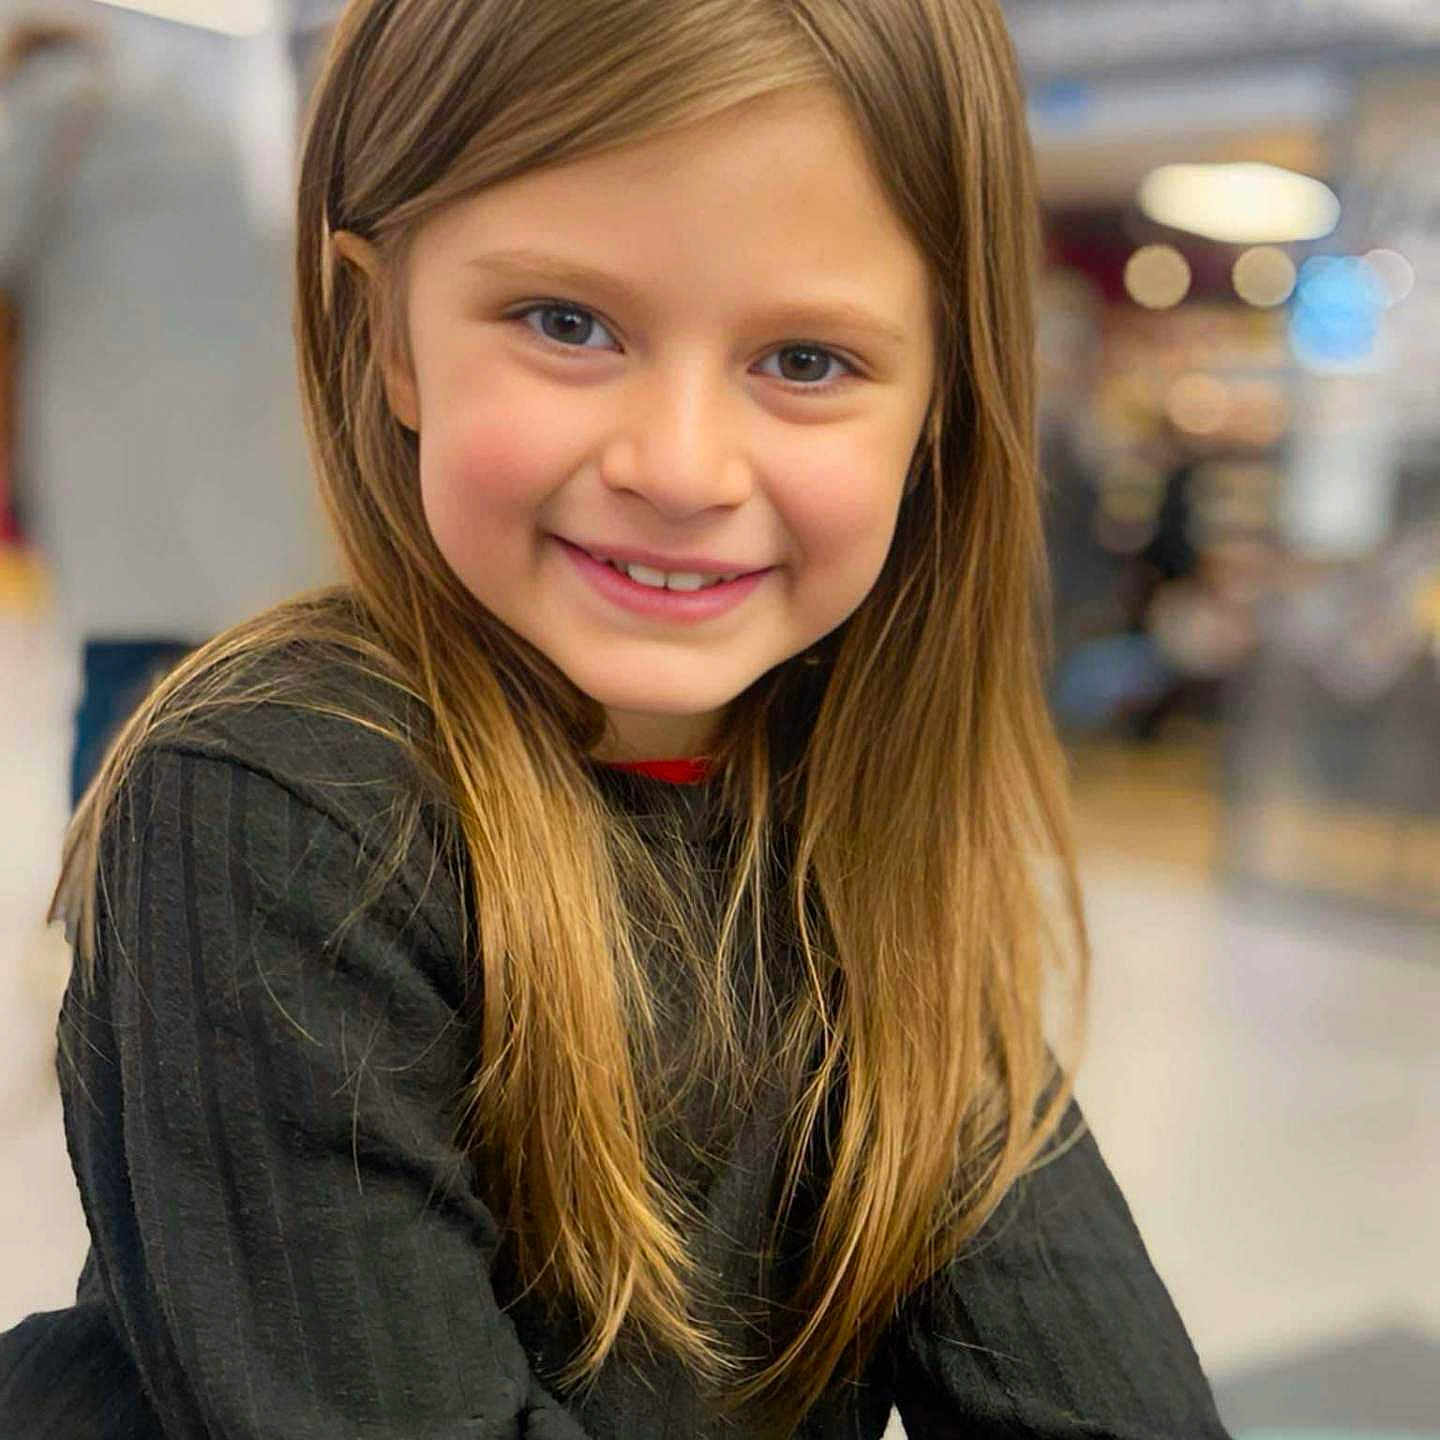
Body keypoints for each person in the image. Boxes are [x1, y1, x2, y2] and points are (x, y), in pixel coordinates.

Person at [0, 1, 1233, 1436]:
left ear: (942, 400)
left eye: (807, 362)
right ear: (382, 332)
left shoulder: (859, 828)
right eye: (568, 324)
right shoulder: (273, 803)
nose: (682, 467)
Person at [0, 10, 329, 806]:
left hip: (130, 477)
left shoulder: (60, 103)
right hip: (264, 469)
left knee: (124, 695)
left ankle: (103, 904)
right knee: (252, 687)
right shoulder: (225, 103)